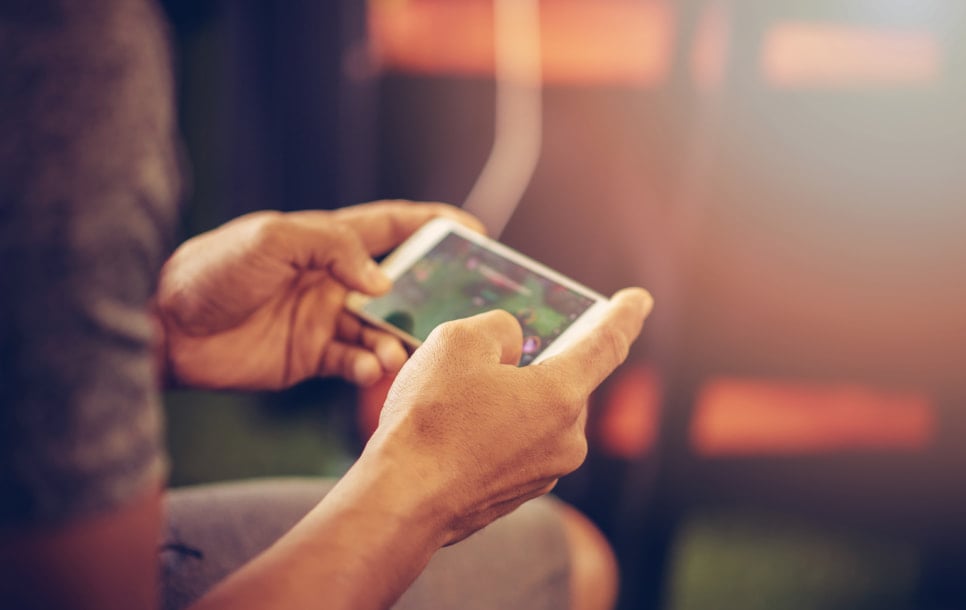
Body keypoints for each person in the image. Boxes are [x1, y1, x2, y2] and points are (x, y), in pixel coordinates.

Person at [0, 2, 653, 609]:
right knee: (561, 557)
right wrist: (422, 485)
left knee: (567, 552)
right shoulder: (74, 54)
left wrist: (157, 336)